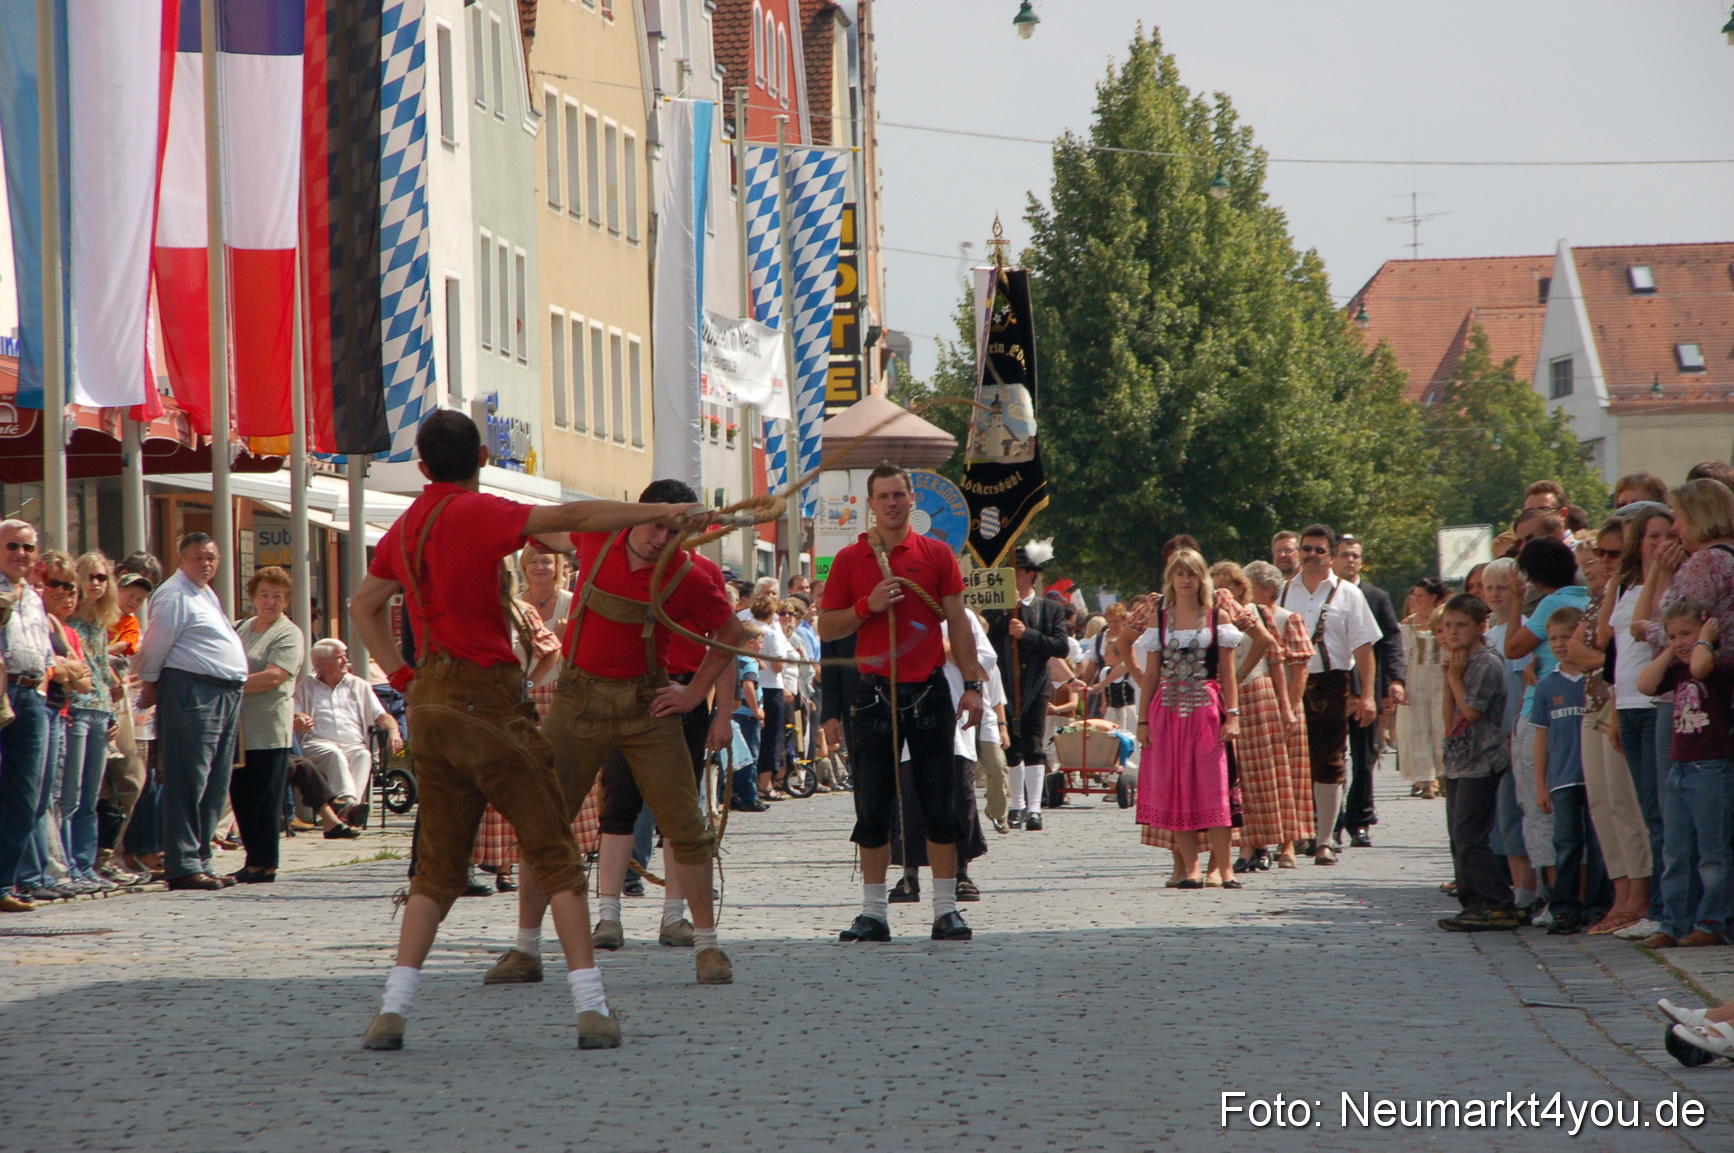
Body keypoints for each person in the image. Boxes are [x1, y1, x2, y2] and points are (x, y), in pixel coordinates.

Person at [349, 409, 706, 1051]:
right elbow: (568, 521)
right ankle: (592, 1009)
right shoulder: (477, 512)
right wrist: (655, 517)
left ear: (423, 466)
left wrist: (404, 679)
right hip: (486, 701)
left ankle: (391, 1012)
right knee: (556, 853)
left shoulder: (405, 526)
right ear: (483, 458)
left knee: (436, 871)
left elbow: (364, 606)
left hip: (428, 706)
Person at [494, 478, 741, 978]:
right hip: (578, 702)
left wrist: (696, 694)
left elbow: (734, 635)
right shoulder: (596, 538)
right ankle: (525, 949)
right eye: (655, 524)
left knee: (687, 827)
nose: (660, 539)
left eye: (673, 531)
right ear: (636, 514)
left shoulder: (691, 575)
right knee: (544, 821)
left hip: (646, 708)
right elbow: (549, 523)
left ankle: (708, 947)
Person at [818, 464, 986, 943]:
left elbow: (958, 623)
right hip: (872, 695)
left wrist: (971, 684)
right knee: (872, 806)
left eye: (898, 495)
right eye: (882, 496)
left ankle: (945, 909)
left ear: (913, 500)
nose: (891, 503)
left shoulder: (936, 554)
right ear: (870, 504)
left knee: (941, 803)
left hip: (929, 690)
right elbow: (828, 628)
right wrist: (866, 606)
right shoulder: (851, 560)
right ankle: (874, 913)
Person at [134, 533, 249, 892]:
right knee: (189, 778)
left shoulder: (204, 592)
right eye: (199, 557)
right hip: (192, 690)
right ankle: (182, 864)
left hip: (223, 693)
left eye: (212, 557)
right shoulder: (174, 594)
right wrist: (150, 685)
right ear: (181, 558)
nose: (207, 563)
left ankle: (200, 858)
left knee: (215, 782)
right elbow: (155, 647)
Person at [1126, 548, 1241, 888]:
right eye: (1180, 574)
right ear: (1171, 579)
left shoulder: (1217, 615)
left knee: (1214, 786)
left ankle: (1225, 868)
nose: (1186, 580)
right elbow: (1150, 676)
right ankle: (1190, 867)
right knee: (1177, 786)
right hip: (1168, 709)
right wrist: (1142, 721)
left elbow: (1229, 674)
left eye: (1192, 573)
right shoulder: (1159, 619)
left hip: (1206, 708)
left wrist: (1232, 716)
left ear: (1201, 577)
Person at [1564, 521, 1653, 936]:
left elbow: (1603, 652)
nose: (1603, 561)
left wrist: (1601, 657)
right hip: (1593, 704)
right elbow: (1576, 648)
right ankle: (1621, 897)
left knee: (1625, 805)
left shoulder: (1640, 591)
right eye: (1599, 553)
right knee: (1602, 805)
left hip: (1620, 703)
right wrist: (1601, 656)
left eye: (1612, 554)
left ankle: (1639, 897)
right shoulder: (1604, 595)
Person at [1278, 524, 1380, 867]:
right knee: (1291, 761)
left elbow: (1365, 649)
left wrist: (1366, 696)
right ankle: (1291, 840)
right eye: (1305, 549)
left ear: (1333, 556)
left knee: (1331, 762)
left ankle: (1325, 840)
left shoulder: (1349, 594)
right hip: (1291, 682)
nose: (1310, 555)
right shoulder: (1282, 592)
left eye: (1319, 550)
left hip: (1332, 681)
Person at [1634, 602, 1734, 950]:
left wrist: (1704, 640)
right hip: (1679, 767)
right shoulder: (1678, 670)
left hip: (1710, 768)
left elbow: (1702, 667)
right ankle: (1673, 923)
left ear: (1706, 630)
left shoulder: (1719, 664)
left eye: (1686, 633)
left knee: (1712, 853)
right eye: (1673, 635)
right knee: (1675, 851)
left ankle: (1711, 923)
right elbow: (1645, 684)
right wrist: (1668, 650)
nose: (1680, 641)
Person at [1504, 536, 1589, 899]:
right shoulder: (1589, 598)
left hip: (1541, 708)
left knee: (1539, 808)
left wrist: (1514, 603)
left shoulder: (1552, 603)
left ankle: (1555, 895)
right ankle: (1583, 894)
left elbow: (1513, 648)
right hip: (1582, 707)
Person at [1603, 505, 1673, 939]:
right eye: (1649, 537)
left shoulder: (1664, 588)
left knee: (1657, 810)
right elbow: (1610, 642)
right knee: (1645, 811)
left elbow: (1641, 630)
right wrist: (1613, 708)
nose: (1657, 544)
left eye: (1665, 535)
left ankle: (1662, 907)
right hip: (1626, 704)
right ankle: (1656, 905)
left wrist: (1658, 575)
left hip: (1652, 707)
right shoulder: (1629, 586)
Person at [1434, 593, 1517, 931]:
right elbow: (1449, 716)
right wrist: (1447, 677)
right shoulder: (1458, 660)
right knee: (1458, 835)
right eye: (1447, 626)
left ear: (1481, 626)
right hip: (1458, 758)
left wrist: (1455, 677)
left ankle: (1497, 902)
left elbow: (1472, 711)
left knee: (1471, 835)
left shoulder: (1485, 662)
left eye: (1461, 626)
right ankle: (1473, 902)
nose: (1453, 632)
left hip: (1482, 760)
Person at [1529, 605, 1609, 936]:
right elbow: (1540, 736)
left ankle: (1598, 905)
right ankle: (1563, 906)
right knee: (1566, 842)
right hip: (1562, 778)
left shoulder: (1596, 679)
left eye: (1567, 636)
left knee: (1599, 841)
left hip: (1595, 775)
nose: (1560, 644)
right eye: (1553, 638)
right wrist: (1540, 784)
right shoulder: (1547, 686)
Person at [227, 567, 308, 883]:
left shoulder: (288, 633)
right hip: (239, 730)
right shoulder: (242, 628)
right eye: (264, 594)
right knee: (241, 795)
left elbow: (276, 675)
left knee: (264, 797)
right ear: (253, 597)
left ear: (286, 600)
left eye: (277, 595)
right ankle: (251, 860)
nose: (270, 601)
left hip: (269, 730)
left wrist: (233, 684)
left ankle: (265, 863)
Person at [1208, 563, 1286, 875]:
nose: (1218, 592)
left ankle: (1263, 845)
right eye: (1214, 585)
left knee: (1257, 775)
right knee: (1234, 774)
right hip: (1223, 696)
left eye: (1224, 585)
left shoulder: (1249, 610)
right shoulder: (1212, 608)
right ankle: (1245, 846)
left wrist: (1239, 675)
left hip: (1252, 691)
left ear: (1239, 587)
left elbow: (1268, 645)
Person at [986, 543, 1069, 832]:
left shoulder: (1051, 609)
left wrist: (1028, 634)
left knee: (1033, 743)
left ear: (1030, 575)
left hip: (1036, 684)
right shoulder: (996, 608)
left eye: (1017, 572)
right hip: (1005, 684)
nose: (1012, 577)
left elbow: (1060, 647)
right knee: (1011, 745)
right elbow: (985, 640)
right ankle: (1017, 806)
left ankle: (1035, 808)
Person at [1331, 534, 1405, 847]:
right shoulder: (1326, 595)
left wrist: (1395, 680)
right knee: (1330, 757)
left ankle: (1360, 819)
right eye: (1345, 554)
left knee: (1364, 755)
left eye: (1355, 556)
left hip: (1367, 686)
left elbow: (1391, 640)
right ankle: (1330, 821)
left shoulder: (1376, 596)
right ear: (1333, 558)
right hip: (1331, 686)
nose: (1350, 560)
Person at [1479, 559, 1539, 917]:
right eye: (1490, 588)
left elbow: (1520, 686)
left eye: (1503, 587)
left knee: (1520, 811)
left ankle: (1529, 889)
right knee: (1504, 817)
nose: (1495, 594)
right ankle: (1518, 887)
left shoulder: (1525, 629)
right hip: (1492, 737)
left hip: (1513, 733)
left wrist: (1513, 728)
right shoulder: (1487, 634)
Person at [1243, 561, 1312, 867]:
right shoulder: (1242, 619)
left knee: (1290, 779)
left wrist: (1291, 710)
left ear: (1267, 590)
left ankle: (1288, 844)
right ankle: (1256, 843)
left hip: (1285, 708)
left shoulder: (1287, 619)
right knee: (1257, 780)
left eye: (1249, 586)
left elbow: (1300, 671)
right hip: (1253, 707)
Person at [0, 521, 53, 912]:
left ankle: (5, 882)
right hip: (2, 691)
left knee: (27, 792)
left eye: (29, 548)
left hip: (32, 692)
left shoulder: (34, 596)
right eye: (13, 546)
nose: (22, 553)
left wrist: (45, 682)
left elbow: (44, 648)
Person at [62, 553, 122, 893]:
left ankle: (85, 864)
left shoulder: (99, 625)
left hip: (99, 711)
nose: (97, 583)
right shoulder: (68, 623)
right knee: (70, 794)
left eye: (102, 577)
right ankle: (68, 864)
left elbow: (102, 672)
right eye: (91, 577)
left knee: (90, 796)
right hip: (77, 710)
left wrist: (112, 712)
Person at [294, 639, 400, 827]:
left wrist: (394, 731)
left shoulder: (360, 685)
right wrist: (300, 718)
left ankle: (345, 810)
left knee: (362, 754)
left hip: (354, 744)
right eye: (340, 657)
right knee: (335, 755)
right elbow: (295, 713)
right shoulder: (305, 686)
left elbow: (382, 715)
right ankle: (351, 807)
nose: (346, 661)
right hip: (318, 743)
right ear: (322, 663)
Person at [1394, 579, 1447, 800]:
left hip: (1441, 677)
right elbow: (1403, 656)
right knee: (1419, 727)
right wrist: (1401, 683)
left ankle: (1445, 775)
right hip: (1417, 677)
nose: (1415, 600)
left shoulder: (1446, 618)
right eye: (1413, 595)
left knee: (1441, 724)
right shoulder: (1408, 624)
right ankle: (1426, 779)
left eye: (1420, 596)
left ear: (1433, 597)